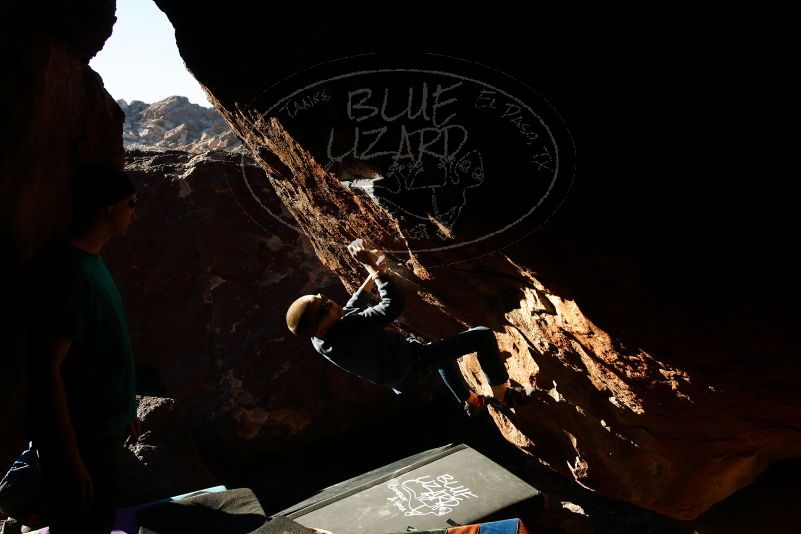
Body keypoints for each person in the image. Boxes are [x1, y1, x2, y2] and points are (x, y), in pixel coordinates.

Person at [286, 239, 528, 416]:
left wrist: (373, 270)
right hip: (411, 365)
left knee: (443, 358)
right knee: (482, 336)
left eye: (324, 298)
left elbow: (352, 305)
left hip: (399, 371)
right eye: (324, 308)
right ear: (318, 328)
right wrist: (375, 271)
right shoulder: (345, 336)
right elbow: (393, 305)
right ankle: (503, 396)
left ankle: (471, 402)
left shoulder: (321, 337)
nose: (330, 303)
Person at [28, 162, 141, 533]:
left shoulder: (91, 261)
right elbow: (47, 369)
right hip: (84, 440)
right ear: (108, 207)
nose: (133, 214)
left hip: (103, 430)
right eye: (129, 204)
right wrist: (70, 458)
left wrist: (125, 410)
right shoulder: (69, 273)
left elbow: (98, 350)